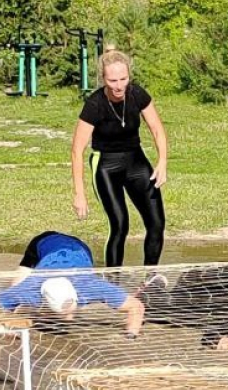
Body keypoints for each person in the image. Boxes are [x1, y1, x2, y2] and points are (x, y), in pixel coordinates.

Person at [70, 48, 168, 268]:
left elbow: (157, 129)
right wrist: (79, 193)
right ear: (103, 79)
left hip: (136, 161)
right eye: (112, 80)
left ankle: (150, 279)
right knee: (120, 225)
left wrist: (162, 161)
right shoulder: (94, 105)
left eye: (123, 79)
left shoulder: (137, 94)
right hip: (106, 166)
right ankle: (113, 282)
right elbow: (77, 150)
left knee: (156, 223)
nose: (119, 85)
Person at [0, 231, 144, 337]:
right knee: (14, 287)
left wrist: (131, 334)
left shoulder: (90, 287)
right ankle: (44, 313)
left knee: (67, 319)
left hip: (80, 248)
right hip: (44, 242)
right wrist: (6, 327)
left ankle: (58, 314)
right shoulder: (30, 290)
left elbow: (136, 306)